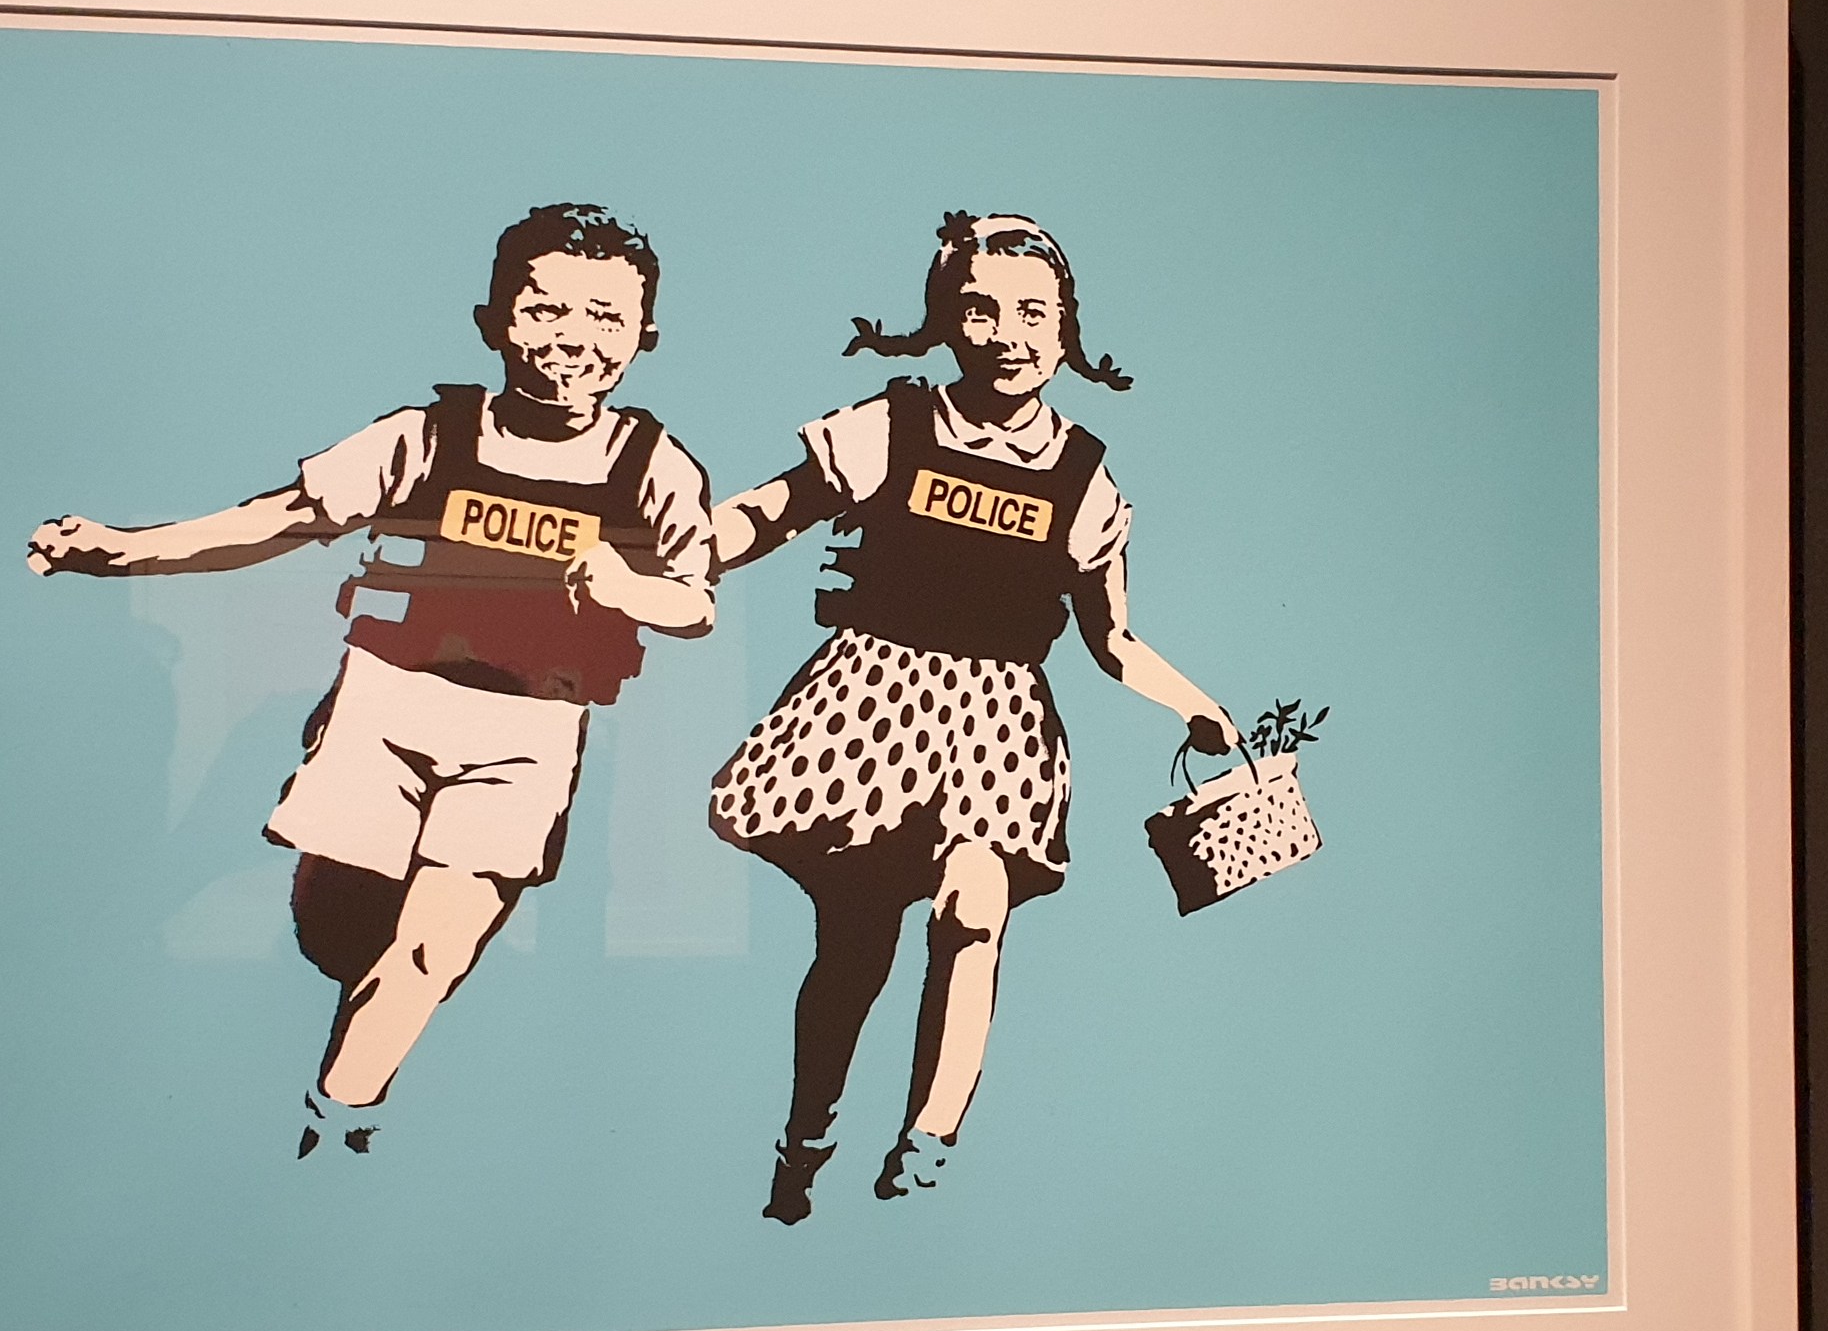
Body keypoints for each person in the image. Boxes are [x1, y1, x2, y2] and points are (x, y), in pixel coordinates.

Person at [28, 203, 715, 1157]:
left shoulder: (653, 467)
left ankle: (337, 1123)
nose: (573, 339)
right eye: (546, 310)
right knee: (334, 934)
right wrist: (124, 550)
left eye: (605, 317)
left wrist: (625, 586)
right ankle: (350, 1005)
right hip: (387, 703)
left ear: (644, 336)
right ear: (494, 323)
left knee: (434, 946)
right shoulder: (427, 435)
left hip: (528, 734)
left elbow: (692, 600)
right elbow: (286, 517)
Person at [710, 211, 1237, 1223]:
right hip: (871, 709)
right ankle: (807, 1135)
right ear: (944, 322)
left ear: (1067, 327)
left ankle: (929, 1138)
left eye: (1033, 313)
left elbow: (1113, 638)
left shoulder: (1083, 478)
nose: (1008, 334)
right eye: (980, 310)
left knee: (974, 907)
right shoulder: (894, 424)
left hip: (995, 722)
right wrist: (685, 550)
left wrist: (1195, 704)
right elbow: (773, 510)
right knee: (855, 951)